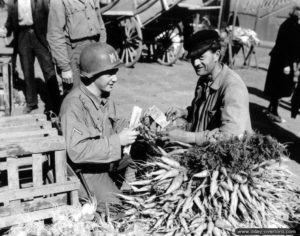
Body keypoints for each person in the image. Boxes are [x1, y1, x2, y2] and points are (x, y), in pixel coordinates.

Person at [60, 42, 139, 210]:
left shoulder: (103, 97)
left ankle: (124, 189)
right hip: (87, 171)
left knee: (144, 157)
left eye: (115, 72)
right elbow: (77, 151)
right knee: (118, 212)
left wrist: (139, 125)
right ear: (92, 75)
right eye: (110, 73)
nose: (115, 78)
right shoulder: (74, 105)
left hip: (105, 161)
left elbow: (113, 124)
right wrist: (118, 141)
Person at [164, 30, 252, 145]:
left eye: (201, 57)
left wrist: (185, 137)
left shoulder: (233, 87)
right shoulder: (204, 79)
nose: (195, 63)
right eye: (192, 58)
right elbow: (203, 113)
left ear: (216, 55)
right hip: (203, 150)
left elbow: (231, 136)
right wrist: (184, 112)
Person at [0, 0, 61, 114]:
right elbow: (10, 22)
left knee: (48, 69)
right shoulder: (13, 4)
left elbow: (50, 18)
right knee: (27, 70)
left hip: (39, 37)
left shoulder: (41, 1)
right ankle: (31, 103)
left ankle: (56, 103)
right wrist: (5, 30)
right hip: (23, 37)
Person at [47, 0, 107, 93]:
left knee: (97, 90)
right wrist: (65, 67)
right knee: (75, 93)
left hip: (94, 49)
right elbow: (55, 34)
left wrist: (103, 48)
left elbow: (100, 23)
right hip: (74, 53)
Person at [263, 3, 300, 123]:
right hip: (283, 61)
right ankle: (274, 111)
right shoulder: (290, 24)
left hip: (285, 60)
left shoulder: (293, 23)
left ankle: (270, 108)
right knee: (280, 86)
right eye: (298, 10)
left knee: (279, 86)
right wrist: (286, 64)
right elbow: (284, 46)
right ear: (295, 11)